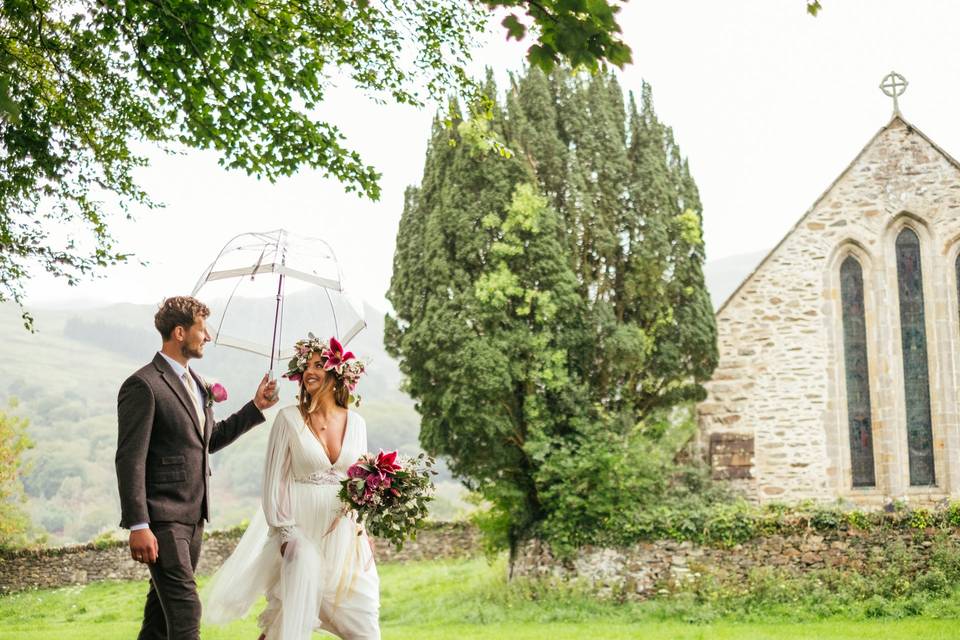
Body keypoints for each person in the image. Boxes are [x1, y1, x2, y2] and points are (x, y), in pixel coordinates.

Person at [115, 295, 278, 640]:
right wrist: (139, 524)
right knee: (187, 609)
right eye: (202, 330)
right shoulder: (143, 385)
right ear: (179, 332)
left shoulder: (198, 384)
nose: (208, 337)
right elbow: (130, 458)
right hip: (162, 518)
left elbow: (207, 442)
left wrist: (255, 407)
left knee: (160, 617)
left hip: (194, 516)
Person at [204, 334, 380, 640]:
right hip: (300, 532)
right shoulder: (287, 419)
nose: (309, 371)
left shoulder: (358, 424)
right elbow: (275, 481)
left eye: (318, 365)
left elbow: (360, 484)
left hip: (344, 537)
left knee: (364, 625)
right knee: (286, 623)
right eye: (306, 365)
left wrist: (364, 530)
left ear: (337, 373)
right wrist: (286, 536)